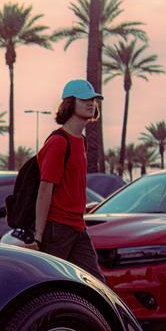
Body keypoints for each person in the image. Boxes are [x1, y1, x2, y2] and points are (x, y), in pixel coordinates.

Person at [27, 79, 105, 281]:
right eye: (84, 99)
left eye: (93, 100)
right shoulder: (58, 142)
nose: (91, 103)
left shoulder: (81, 141)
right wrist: (38, 236)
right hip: (58, 229)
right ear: (70, 103)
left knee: (95, 283)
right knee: (49, 284)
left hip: (77, 226)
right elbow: (45, 190)